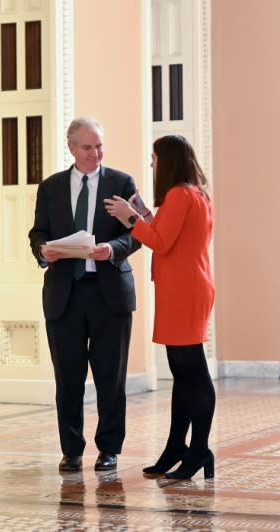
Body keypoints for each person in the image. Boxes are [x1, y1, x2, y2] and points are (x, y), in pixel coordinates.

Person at [28, 117, 141, 472]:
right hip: (65, 295)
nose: (96, 153)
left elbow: (139, 233)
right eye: (88, 147)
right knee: (68, 377)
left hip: (109, 294)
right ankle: (71, 449)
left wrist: (112, 249)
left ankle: (109, 449)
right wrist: (42, 251)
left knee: (111, 378)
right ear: (72, 148)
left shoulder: (121, 182)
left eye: (100, 146)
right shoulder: (51, 187)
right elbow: (38, 232)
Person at [104, 134, 216, 480]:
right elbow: (167, 231)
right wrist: (144, 214)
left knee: (192, 372)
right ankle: (176, 447)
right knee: (182, 375)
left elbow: (161, 242)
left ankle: (199, 449)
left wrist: (129, 217)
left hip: (184, 292)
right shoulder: (191, 194)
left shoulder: (180, 195)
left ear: (165, 161)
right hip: (184, 289)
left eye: (153, 159)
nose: (151, 165)